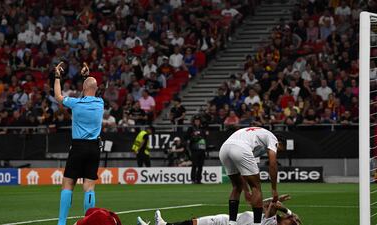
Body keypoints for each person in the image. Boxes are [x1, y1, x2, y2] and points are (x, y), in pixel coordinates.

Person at [54, 62, 104, 225]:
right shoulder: (100, 103)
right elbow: (91, 88)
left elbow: (58, 97)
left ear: (83, 89)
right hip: (94, 148)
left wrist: (57, 77)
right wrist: (86, 76)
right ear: (96, 89)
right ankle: (89, 222)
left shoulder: (76, 103)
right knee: (89, 187)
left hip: (78, 147)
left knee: (68, 183)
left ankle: (61, 223)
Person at [219, 127, 285, 225]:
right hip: (240, 148)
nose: (277, 152)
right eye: (279, 150)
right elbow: (273, 164)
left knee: (236, 187)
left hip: (224, 149)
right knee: (256, 187)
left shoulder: (257, 141)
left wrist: (246, 191)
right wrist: (274, 189)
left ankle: (232, 222)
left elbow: (244, 172)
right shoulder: (273, 138)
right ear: (279, 143)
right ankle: (257, 223)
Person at [137, 195, 300, 225]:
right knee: (195, 223)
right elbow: (265, 204)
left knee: (197, 223)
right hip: (228, 220)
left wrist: (289, 212)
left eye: (289, 221)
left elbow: (272, 206)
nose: (288, 220)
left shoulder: (271, 221)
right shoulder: (270, 218)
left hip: (228, 223)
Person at [186, 116, 208, 184]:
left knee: (200, 165)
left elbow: (204, 137)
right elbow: (187, 137)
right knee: (194, 165)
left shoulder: (202, 129)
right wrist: (194, 136)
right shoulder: (191, 128)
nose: (197, 122)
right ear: (194, 122)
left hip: (202, 149)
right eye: (196, 121)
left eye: (198, 121)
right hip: (195, 149)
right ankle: (193, 179)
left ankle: (198, 180)